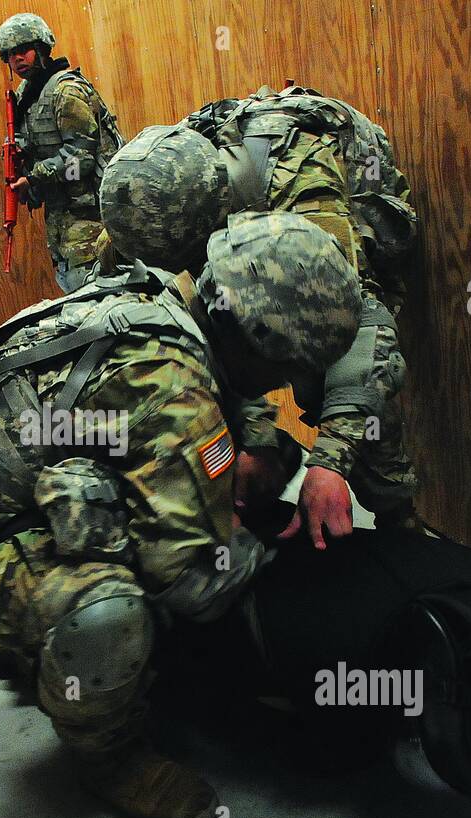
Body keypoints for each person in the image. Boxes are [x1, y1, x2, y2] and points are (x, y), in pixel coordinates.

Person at [0, 211, 362, 818]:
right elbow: (193, 582)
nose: (283, 381)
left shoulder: (164, 297)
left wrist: (253, 457)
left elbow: (225, 410)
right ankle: (107, 753)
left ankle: (15, 635)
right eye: (285, 367)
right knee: (113, 611)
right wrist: (269, 557)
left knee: (175, 497)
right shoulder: (170, 384)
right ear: (257, 343)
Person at [100, 111, 421, 543]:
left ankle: (399, 519)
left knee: (322, 364)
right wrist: (252, 433)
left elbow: (365, 328)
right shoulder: (144, 208)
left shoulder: (300, 189)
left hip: (338, 200)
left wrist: (328, 462)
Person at [0, 12, 123, 292]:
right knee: (70, 282)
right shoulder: (28, 94)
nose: (17, 59)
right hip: (61, 211)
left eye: (23, 50)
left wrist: (35, 176)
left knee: (93, 285)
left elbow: (82, 157)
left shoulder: (65, 90)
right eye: (10, 54)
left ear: (41, 48)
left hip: (90, 211)